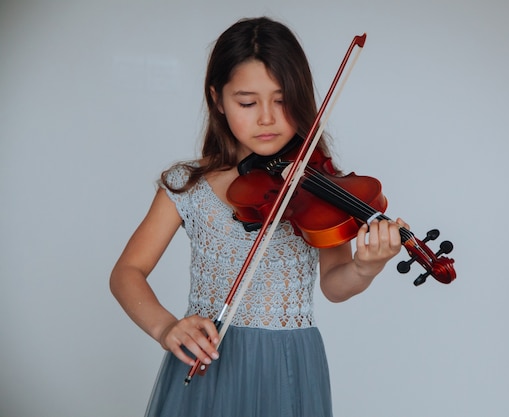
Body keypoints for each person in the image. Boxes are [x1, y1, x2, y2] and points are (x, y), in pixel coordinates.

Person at [110, 16, 404, 417]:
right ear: (218, 99)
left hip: (288, 363)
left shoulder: (320, 186)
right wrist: (165, 327)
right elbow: (127, 271)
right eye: (247, 102)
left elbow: (335, 285)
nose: (266, 117)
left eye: (282, 101)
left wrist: (366, 268)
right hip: (209, 357)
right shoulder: (188, 185)